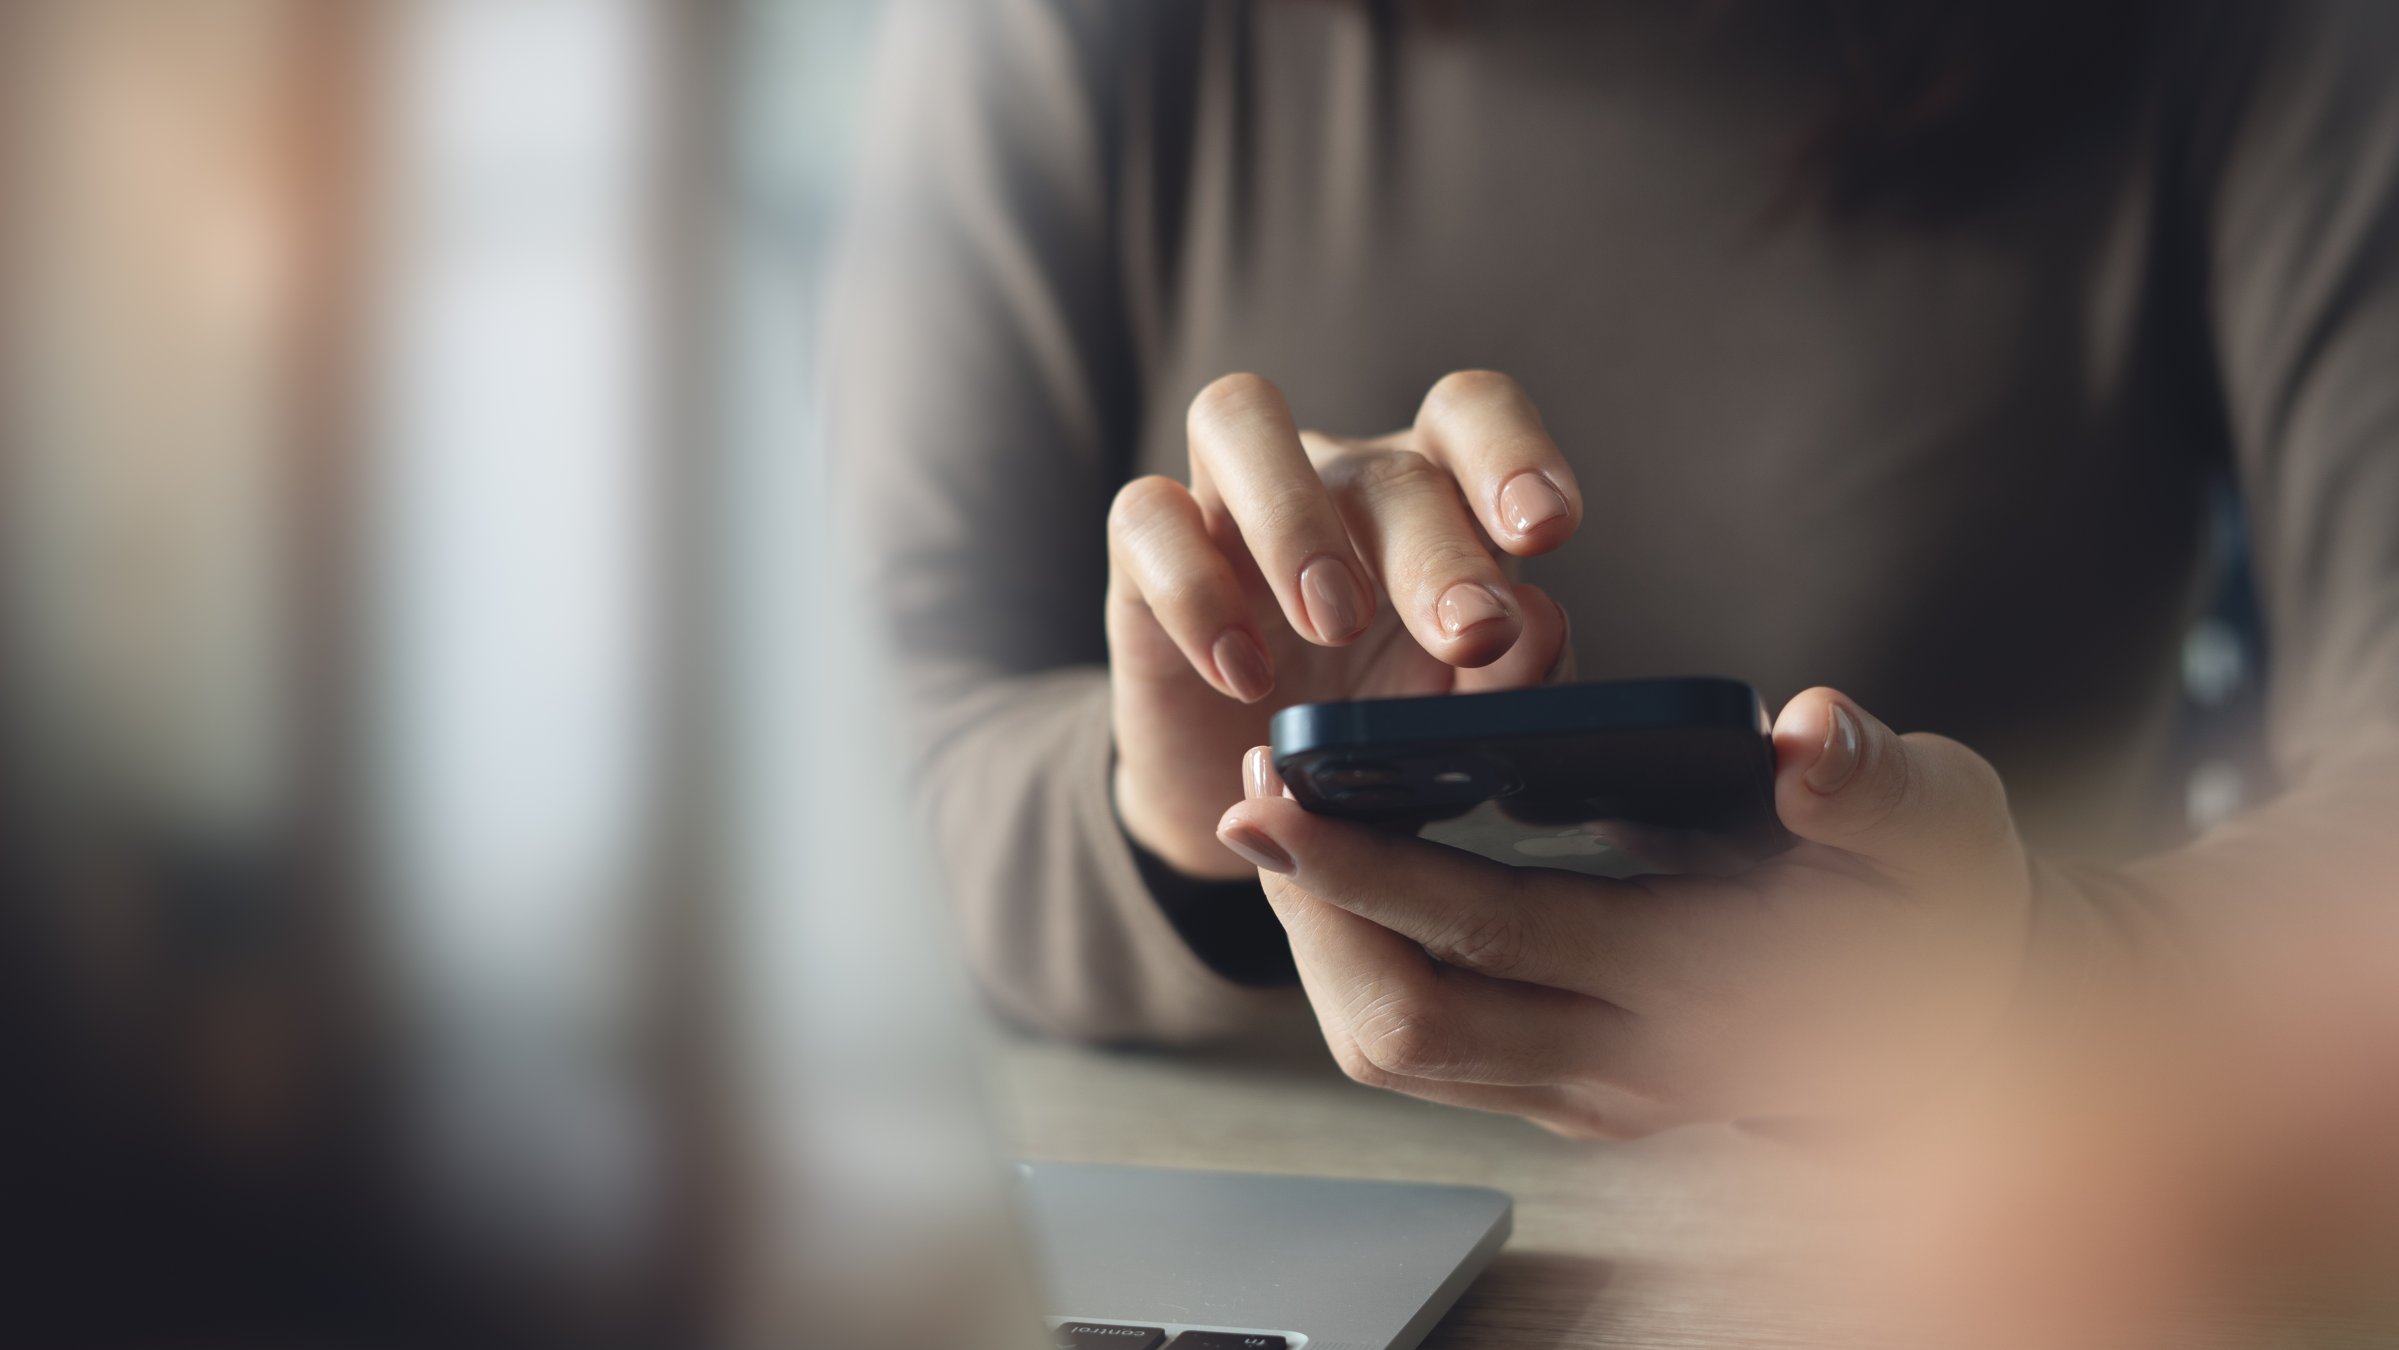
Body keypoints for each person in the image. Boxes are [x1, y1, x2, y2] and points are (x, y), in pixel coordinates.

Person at [826, 0, 2399, 1148]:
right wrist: (1162, 817)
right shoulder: (1049, 33)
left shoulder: (2258, 44)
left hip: (1997, 1240)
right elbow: (846, 788)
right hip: (1220, 1238)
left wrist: (2040, 983)